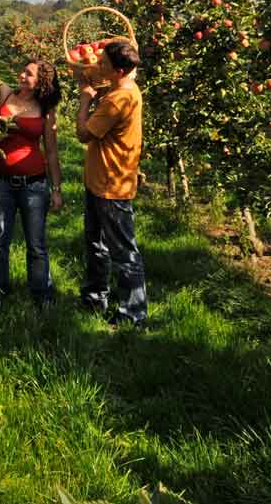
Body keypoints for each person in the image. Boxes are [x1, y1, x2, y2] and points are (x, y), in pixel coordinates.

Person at [0, 34, 63, 307]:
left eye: (28, 73)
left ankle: (42, 294)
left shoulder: (46, 110)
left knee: (36, 244)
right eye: (23, 71)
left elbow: (51, 152)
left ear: (40, 81)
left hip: (34, 185)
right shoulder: (6, 93)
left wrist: (56, 189)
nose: (21, 75)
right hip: (2, 182)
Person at [74, 37, 149, 330]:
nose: (98, 65)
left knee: (123, 251)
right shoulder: (123, 88)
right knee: (96, 244)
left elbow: (83, 134)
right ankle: (94, 298)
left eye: (103, 63)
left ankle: (133, 314)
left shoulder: (119, 99)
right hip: (100, 182)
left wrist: (85, 99)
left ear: (119, 71)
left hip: (111, 186)